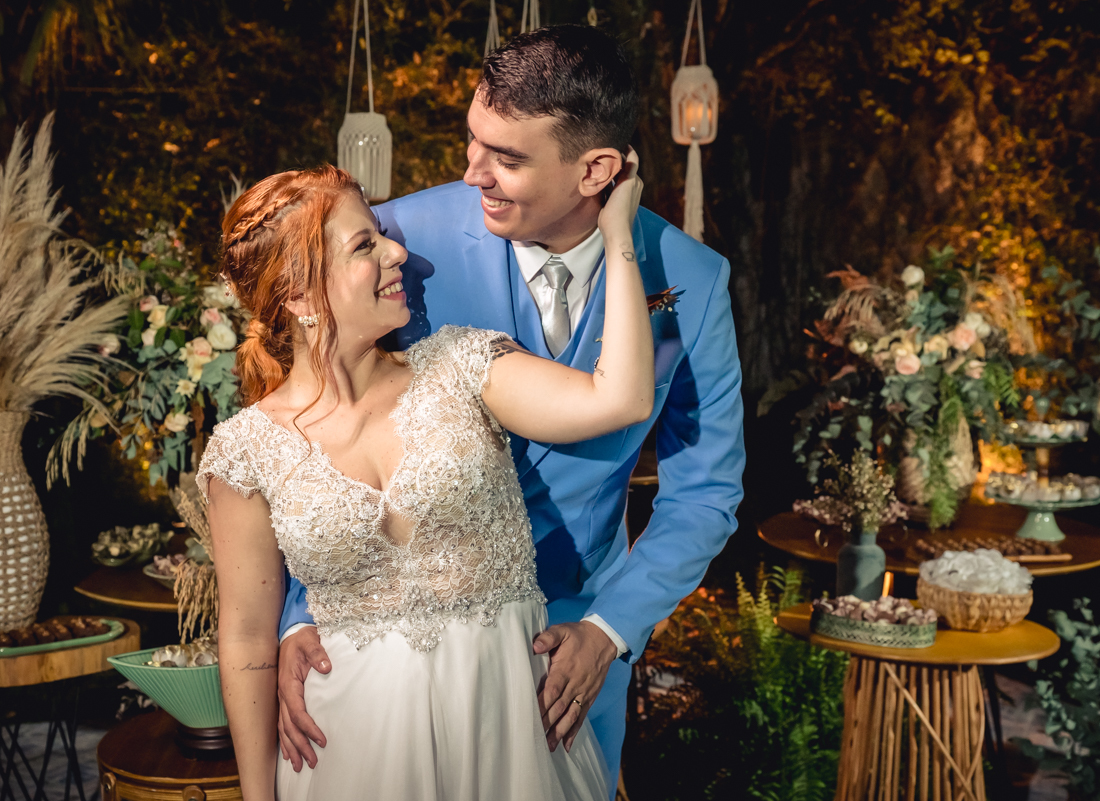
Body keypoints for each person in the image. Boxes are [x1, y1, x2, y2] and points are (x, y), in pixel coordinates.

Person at [276, 25, 746, 797]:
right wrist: (302, 611)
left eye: (507, 158)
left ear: (595, 169)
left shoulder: (689, 280)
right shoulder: (400, 245)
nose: (472, 172)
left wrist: (609, 630)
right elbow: (319, 425)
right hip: (393, 646)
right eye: (472, 140)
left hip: (569, 653)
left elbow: (705, 491)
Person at [199, 155, 649, 801]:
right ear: (298, 294)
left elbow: (622, 400)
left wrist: (618, 235)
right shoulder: (244, 452)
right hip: (348, 753)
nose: (397, 255)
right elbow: (245, 637)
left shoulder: (463, 366)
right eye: (364, 245)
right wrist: (256, 795)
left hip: (508, 740)